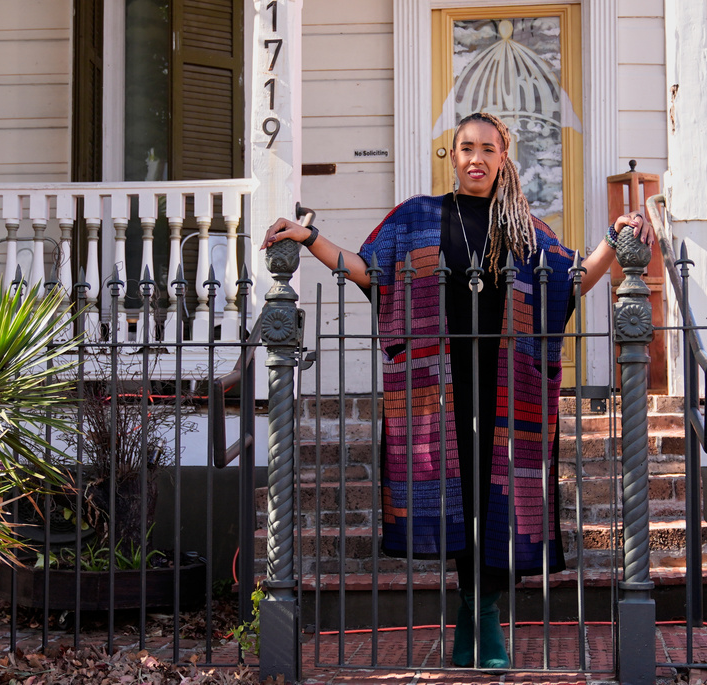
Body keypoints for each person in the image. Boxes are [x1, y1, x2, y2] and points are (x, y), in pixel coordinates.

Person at [263, 111, 652, 670]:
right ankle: (474, 616)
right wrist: (311, 238)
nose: (476, 158)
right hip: (436, 392)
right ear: (452, 154)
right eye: (466, 147)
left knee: (496, 503)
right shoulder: (418, 217)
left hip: (506, 385)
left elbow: (572, 280)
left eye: (488, 149)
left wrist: (615, 240)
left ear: (503, 155)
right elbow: (368, 269)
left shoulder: (523, 228)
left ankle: (481, 617)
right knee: (458, 503)